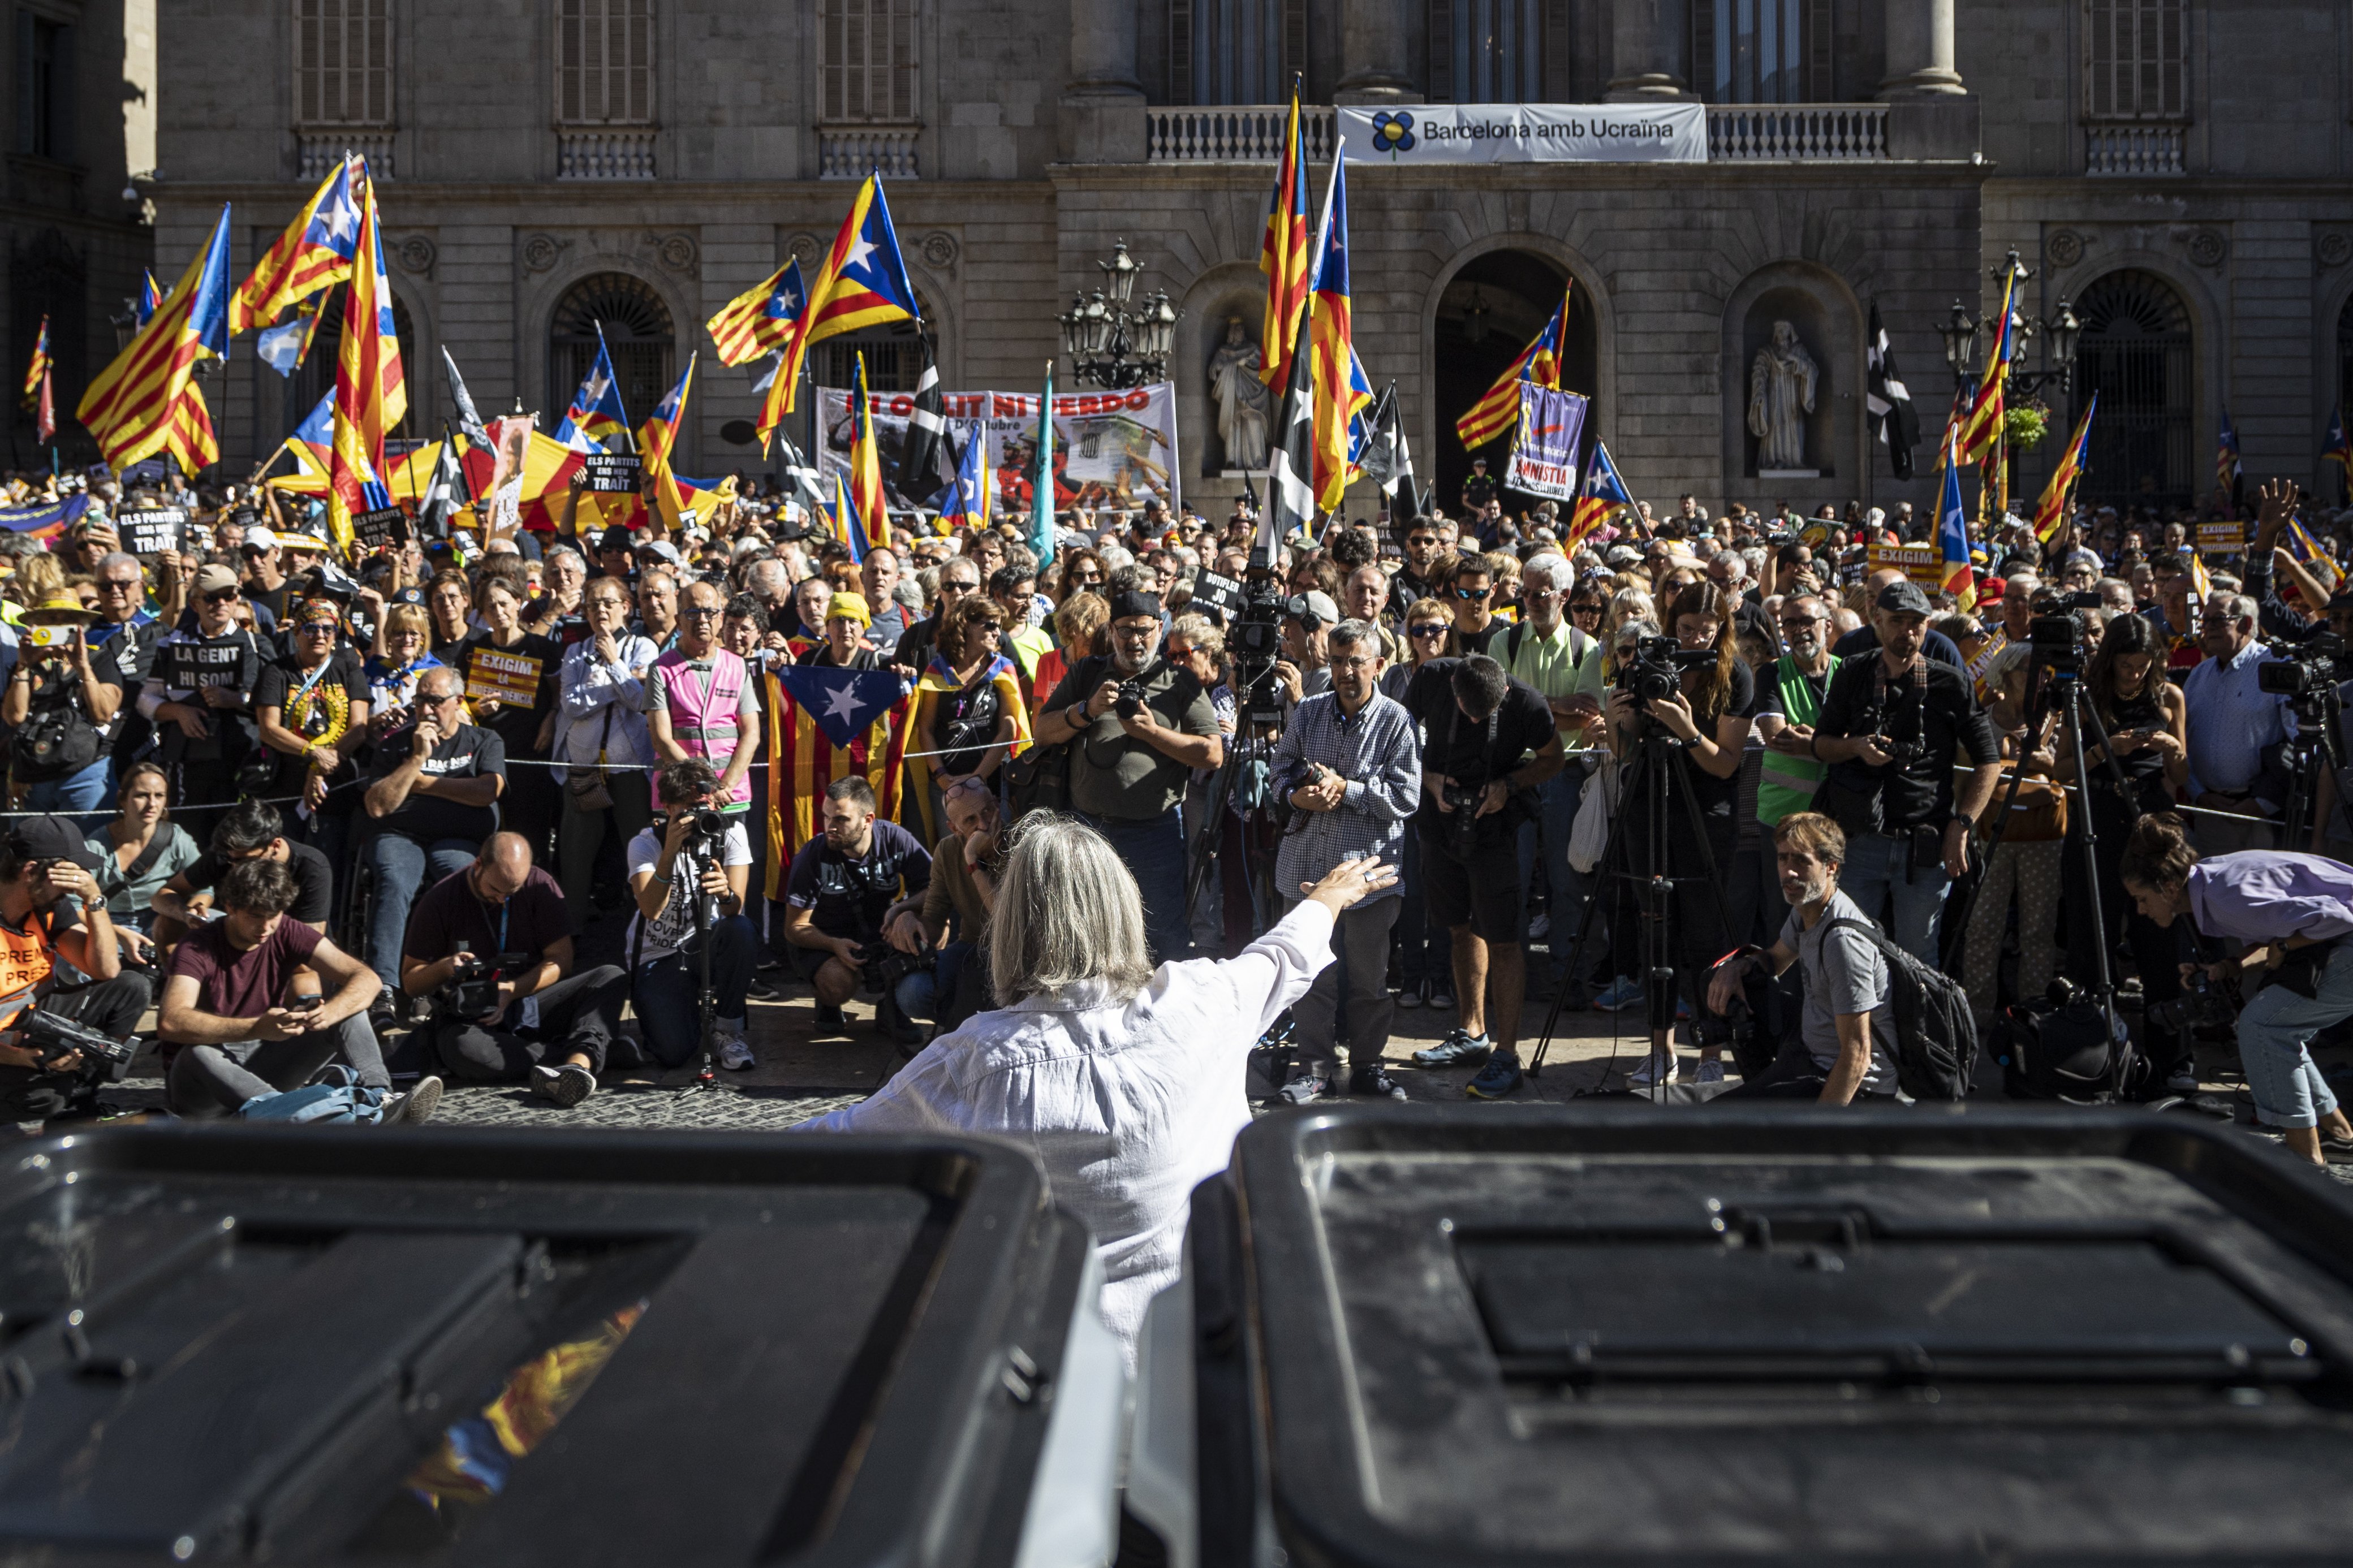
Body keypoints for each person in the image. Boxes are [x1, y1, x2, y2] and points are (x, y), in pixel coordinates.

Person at [795, 813, 1394, 1365]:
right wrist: (1329, 897)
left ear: (1013, 926)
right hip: (1207, 1350)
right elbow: (1283, 954)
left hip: (1044, 1372)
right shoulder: (1200, 1002)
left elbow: (839, 1144)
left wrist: (718, 1171)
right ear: (1123, 908)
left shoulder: (977, 1056)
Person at [1594, 581, 1759, 1086]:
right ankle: (1661, 1051)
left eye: (1706, 631)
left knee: (1707, 938)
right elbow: (1624, 755)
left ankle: (1711, 1049)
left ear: (1722, 630)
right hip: (1647, 807)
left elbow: (1726, 764)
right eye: (1686, 629)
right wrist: (1619, 722)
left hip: (1705, 815)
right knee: (1654, 934)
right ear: (1671, 626)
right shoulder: (1645, 665)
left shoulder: (1734, 676)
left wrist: (1687, 730)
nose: (1695, 640)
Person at [2121, 813, 2353, 1165]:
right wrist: (2228, 966)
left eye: (2141, 898)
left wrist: (2287, 948)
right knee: (2279, 1028)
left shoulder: (2226, 895)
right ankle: (2340, 1136)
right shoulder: (2212, 880)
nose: (2140, 911)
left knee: (2262, 1025)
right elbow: (2275, 931)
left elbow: (2338, 918)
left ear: (2168, 889)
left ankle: (2305, 1161)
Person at [160, 857, 439, 1122]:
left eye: (274, 916)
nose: (266, 928)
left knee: (349, 1009)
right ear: (230, 907)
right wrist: (255, 1028)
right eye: (256, 916)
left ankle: (379, 1101)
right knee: (199, 1052)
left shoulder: (287, 931)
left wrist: (330, 1013)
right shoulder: (197, 947)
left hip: (263, 1069)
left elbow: (367, 979)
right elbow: (172, 1021)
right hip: (200, 1090)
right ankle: (294, 1117)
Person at [1269, 619, 1420, 1103]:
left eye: (1356, 660)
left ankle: (1369, 1066)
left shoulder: (1396, 719)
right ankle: (1313, 1070)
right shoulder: (1308, 711)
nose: (1346, 671)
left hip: (1367, 874)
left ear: (1378, 664)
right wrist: (1299, 796)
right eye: (1337, 661)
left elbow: (1406, 796)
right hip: (1309, 867)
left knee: (1370, 980)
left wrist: (1348, 789)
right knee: (1311, 978)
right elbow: (1278, 773)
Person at [1402, 653, 1566, 1098]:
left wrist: (1509, 786)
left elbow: (1554, 758)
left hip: (1494, 829)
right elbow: (1395, 734)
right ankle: (1471, 1032)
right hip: (1438, 825)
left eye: (1486, 714)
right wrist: (1428, 778)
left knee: (1506, 940)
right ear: (1454, 691)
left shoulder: (1528, 704)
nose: (1476, 719)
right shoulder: (1433, 678)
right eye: (1469, 711)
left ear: (1506, 694)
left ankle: (1507, 1054)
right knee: (1459, 927)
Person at [1812, 578, 2002, 962]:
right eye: (1897, 620)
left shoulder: (1950, 681)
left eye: (1917, 622)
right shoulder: (1854, 671)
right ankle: (1864, 1026)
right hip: (1863, 838)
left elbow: (1989, 760)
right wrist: (1857, 747)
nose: (1907, 630)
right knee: (1852, 952)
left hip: (1925, 843)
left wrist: (1961, 826)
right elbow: (1820, 745)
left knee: (1918, 958)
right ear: (1877, 621)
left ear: (1928, 626)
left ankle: (1915, 1026)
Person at [1031, 589, 1224, 962]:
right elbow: (1042, 731)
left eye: (1144, 630)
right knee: (1087, 933)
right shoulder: (1088, 673)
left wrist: (1151, 733)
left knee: (1162, 937)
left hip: (1155, 834)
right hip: (1088, 831)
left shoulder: (1179, 681)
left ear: (1159, 629)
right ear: (1112, 630)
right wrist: (1086, 710)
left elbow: (1212, 754)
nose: (1135, 640)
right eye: (1125, 631)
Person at [2052, 609, 2192, 1088]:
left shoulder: (2169, 695)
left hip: (2150, 823)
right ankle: (2090, 1056)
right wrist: (2108, 749)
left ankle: (2170, 1062)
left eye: (2142, 664)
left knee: (2160, 942)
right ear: (2109, 660)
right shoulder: (2086, 697)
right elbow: (2061, 771)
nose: (2134, 673)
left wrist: (2172, 750)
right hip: (2098, 818)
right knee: (2092, 942)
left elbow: (2180, 777)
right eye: (2126, 665)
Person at [399, 832, 630, 1108]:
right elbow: (412, 982)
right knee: (462, 1050)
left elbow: (561, 960)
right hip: (475, 1016)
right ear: (477, 866)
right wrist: (445, 967)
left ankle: (579, 1061)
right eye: (495, 891)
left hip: (529, 998)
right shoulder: (440, 900)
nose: (501, 900)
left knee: (609, 977)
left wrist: (512, 990)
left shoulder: (540, 885)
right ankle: (584, 1054)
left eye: (512, 893)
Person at [1703, 813, 1901, 1102]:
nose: (1789, 872)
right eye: (1783, 858)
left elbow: (1858, 1054)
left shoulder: (1843, 943)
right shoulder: (1808, 908)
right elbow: (1775, 960)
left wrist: (1816, 1132)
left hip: (1854, 1085)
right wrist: (1737, 967)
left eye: (1801, 861)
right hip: (1811, 1046)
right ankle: (1762, 1087)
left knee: (1720, 1122)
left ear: (1830, 867)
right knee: (1722, 980)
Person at [360, 666, 507, 1009]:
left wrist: (424, 784)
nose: (426, 710)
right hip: (401, 835)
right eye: (420, 701)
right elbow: (378, 807)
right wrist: (416, 760)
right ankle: (384, 986)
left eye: (435, 701)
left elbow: (488, 791)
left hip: (461, 839)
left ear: (458, 702)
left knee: (463, 880)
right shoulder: (395, 745)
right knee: (395, 880)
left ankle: (456, 978)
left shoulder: (483, 741)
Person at [0, 815, 153, 1123]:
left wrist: (94, 901)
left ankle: (77, 1086)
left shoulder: (46, 905)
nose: (76, 882)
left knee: (131, 986)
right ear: (31, 871)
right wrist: (24, 1060)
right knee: (46, 1097)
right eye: (68, 874)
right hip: (7, 1037)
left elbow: (106, 969)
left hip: (31, 1013)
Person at [628, 756, 761, 1069]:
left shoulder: (730, 833)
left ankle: (728, 1030)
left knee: (741, 929)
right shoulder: (646, 844)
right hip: (660, 955)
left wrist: (726, 891)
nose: (699, 816)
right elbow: (650, 909)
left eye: (705, 806)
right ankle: (685, 1011)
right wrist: (670, 851)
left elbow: (735, 909)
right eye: (688, 809)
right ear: (668, 808)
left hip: (705, 944)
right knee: (673, 1053)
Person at [783, 775, 930, 1043]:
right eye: (827, 817)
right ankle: (827, 1000)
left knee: (935, 924)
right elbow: (795, 928)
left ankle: (894, 1008)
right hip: (827, 939)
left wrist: (903, 911)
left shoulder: (896, 839)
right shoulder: (812, 856)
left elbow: (937, 889)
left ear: (868, 820)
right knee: (839, 984)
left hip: (883, 932)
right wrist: (833, 945)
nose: (830, 826)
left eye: (841, 819)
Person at [138, 563, 266, 841]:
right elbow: (146, 699)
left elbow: (272, 703)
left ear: (237, 599)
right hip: (189, 761)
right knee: (190, 838)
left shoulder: (258, 645)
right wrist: (178, 712)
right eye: (211, 597)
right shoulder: (171, 644)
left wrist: (234, 699)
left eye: (228, 596)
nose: (220, 603)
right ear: (195, 604)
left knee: (241, 839)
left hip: (242, 759)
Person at [554, 574, 659, 911]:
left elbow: (640, 700)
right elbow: (571, 705)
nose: (600, 609)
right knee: (575, 850)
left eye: (608, 603)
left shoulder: (644, 647)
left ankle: (645, 918)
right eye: (592, 604)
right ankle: (573, 925)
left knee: (639, 845)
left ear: (626, 608)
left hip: (628, 766)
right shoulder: (575, 651)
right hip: (584, 765)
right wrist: (619, 684)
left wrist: (614, 663)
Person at [252, 597, 372, 871]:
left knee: (325, 868)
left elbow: (359, 728)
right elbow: (269, 729)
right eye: (310, 628)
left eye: (327, 629)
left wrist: (319, 768)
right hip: (284, 786)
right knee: (279, 867)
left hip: (334, 786)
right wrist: (312, 752)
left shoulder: (349, 670)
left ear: (336, 634)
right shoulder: (276, 672)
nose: (319, 635)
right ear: (297, 633)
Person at [885, 773, 1003, 1033]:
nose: (983, 825)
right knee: (912, 993)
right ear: (954, 828)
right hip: (973, 946)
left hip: (1016, 952)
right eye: (970, 820)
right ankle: (967, 1031)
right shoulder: (948, 850)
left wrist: (973, 859)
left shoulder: (1022, 842)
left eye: (987, 811)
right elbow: (935, 924)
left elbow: (1005, 920)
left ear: (997, 803)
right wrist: (908, 917)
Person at [456, 576, 563, 859]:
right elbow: (458, 704)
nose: (498, 611)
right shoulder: (472, 649)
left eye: (504, 603)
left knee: (529, 836)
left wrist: (551, 718)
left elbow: (558, 694)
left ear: (519, 603)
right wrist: (477, 709)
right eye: (490, 607)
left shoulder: (543, 648)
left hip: (531, 758)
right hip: (485, 760)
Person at [645, 578, 762, 828]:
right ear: (679, 620)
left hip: (730, 796)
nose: (702, 620)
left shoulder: (737, 666)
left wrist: (725, 786)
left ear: (720, 618)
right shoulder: (661, 669)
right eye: (692, 612)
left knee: (731, 865)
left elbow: (751, 733)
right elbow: (661, 738)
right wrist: (703, 787)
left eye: (709, 612)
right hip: (680, 795)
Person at [2181, 591, 2291, 854]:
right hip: (2210, 812)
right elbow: (2182, 741)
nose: (2207, 628)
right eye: (2204, 621)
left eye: (2218, 620)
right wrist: (2199, 795)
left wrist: (2262, 802)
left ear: (2246, 625)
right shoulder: (2198, 676)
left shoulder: (2276, 668)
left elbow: (2298, 742)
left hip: (2263, 815)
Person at [5, 591, 122, 812]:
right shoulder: (28, 664)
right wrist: (23, 665)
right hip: (32, 774)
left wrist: (83, 666)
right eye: (51, 619)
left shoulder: (99, 659)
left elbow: (103, 714)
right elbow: (14, 717)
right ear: (37, 624)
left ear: (81, 626)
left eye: (67, 619)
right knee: (30, 844)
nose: (59, 626)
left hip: (84, 772)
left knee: (87, 843)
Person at [85, 761, 199, 970]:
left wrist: (194, 912)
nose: (152, 804)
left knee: (220, 927)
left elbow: (204, 885)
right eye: (142, 795)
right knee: (75, 967)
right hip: (109, 922)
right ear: (123, 798)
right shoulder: (96, 846)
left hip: (160, 919)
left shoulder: (177, 839)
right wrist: (115, 933)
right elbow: (73, 904)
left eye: (159, 796)